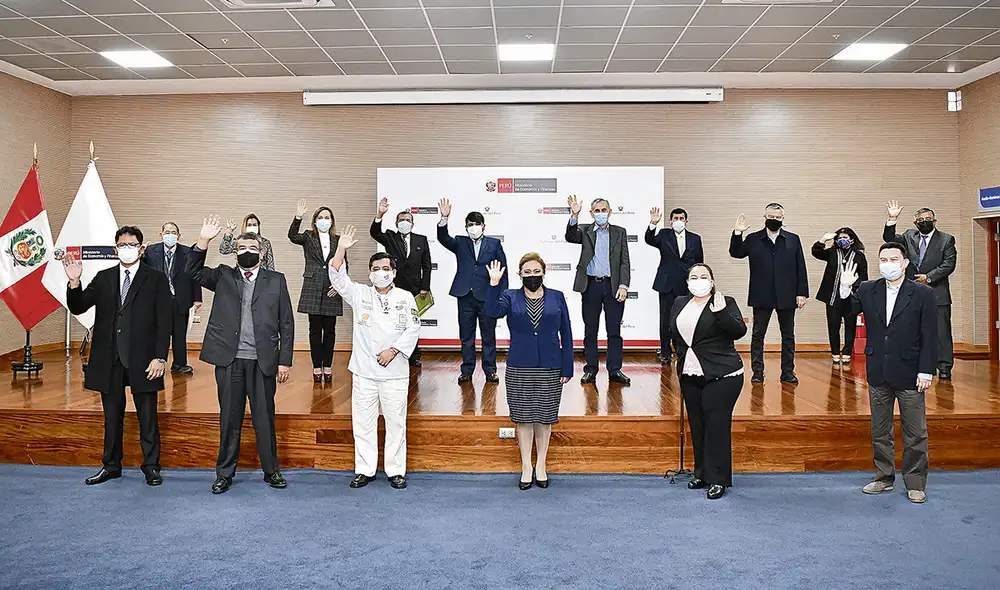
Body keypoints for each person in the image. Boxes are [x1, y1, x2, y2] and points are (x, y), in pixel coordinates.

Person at [188, 216, 295, 495]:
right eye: (241, 248)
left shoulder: (276, 280)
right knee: (229, 419)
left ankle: (271, 471)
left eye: (251, 248)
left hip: (262, 362)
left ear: (262, 253)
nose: (246, 252)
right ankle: (224, 473)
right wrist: (204, 240)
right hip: (229, 360)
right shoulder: (223, 275)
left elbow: (286, 322)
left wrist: (285, 360)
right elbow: (191, 272)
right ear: (235, 253)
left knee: (264, 418)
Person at [63, 226, 172, 487]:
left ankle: (151, 466)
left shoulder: (155, 279)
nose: (127, 249)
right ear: (115, 250)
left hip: (144, 359)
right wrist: (74, 282)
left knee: (148, 416)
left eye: (132, 244)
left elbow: (164, 321)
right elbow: (78, 306)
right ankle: (111, 465)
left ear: (141, 248)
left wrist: (160, 357)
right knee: (112, 416)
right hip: (109, 357)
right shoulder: (104, 278)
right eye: (122, 245)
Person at [840, 242, 937, 504]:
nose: (888, 263)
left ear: (905, 263)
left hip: (910, 372)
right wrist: (845, 289)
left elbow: (930, 336)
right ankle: (884, 477)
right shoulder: (868, 289)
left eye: (894, 259)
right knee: (880, 429)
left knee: (915, 431)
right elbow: (846, 312)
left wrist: (927, 369)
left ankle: (915, 482)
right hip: (878, 371)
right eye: (883, 259)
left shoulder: (922, 294)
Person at [328, 225, 420, 490]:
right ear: (370, 273)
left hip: (395, 371)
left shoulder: (405, 297)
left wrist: (393, 351)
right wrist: (342, 248)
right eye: (376, 269)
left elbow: (413, 327)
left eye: (386, 269)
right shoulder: (360, 293)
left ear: (393, 272)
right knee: (364, 422)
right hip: (365, 371)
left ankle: (395, 470)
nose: (381, 273)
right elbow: (337, 276)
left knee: (395, 422)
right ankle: (365, 469)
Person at [485, 253, 573, 490]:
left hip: (550, 364)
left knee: (544, 419)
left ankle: (541, 465)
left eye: (536, 272)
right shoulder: (509, 296)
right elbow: (492, 312)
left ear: (544, 272)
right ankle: (526, 466)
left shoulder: (557, 297)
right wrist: (494, 284)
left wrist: (567, 366)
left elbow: (566, 331)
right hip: (519, 365)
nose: (532, 276)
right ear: (520, 274)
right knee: (523, 419)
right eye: (527, 272)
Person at [669, 264, 747, 500]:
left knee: (716, 425)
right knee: (698, 424)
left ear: (712, 282)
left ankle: (719, 478)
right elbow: (674, 333)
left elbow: (738, 330)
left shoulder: (725, 301)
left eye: (704, 277)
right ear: (687, 282)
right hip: (691, 373)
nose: (699, 280)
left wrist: (721, 312)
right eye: (694, 277)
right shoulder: (679, 303)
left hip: (723, 374)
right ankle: (701, 472)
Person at [730, 203, 808, 384]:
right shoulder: (753, 238)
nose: (774, 220)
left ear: (783, 218)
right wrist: (737, 233)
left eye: (777, 218)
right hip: (761, 294)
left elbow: (800, 267)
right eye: (770, 217)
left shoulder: (793, 239)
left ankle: (788, 372)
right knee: (758, 334)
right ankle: (758, 371)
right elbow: (736, 253)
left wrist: (802, 292)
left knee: (788, 335)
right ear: (764, 217)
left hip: (787, 294)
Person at [882, 201, 957, 380]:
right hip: (911, 293)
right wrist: (892, 219)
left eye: (928, 219)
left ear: (935, 220)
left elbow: (949, 264)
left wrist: (928, 277)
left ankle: (944, 367)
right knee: (909, 329)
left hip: (937, 293)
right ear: (916, 223)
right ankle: (911, 364)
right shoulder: (909, 236)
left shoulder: (946, 239)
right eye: (921, 220)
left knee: (941, 332)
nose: (924, 222)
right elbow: (889, 240)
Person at [437, 198, 507, 383]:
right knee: (466, 335)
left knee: (488, 335)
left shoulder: (494, 244)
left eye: (477, 224)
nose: (473, 227)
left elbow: (502, 270)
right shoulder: (460, 242)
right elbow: (443, 238)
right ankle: (467, 370)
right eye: (470, 224)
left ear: (484, 226)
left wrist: (502, 295)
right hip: (465, 295)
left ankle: (490, 370)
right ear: (466, 227)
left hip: (487, 296)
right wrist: (444, 218)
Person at [566, 195, 632, 385]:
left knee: (614, 331)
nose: (601, 214)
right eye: (597, 210)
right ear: (591, 213)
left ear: (610, 212)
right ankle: (591, 369)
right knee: (590, 329)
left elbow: (624, 261)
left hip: (613, 286)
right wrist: (574, 215)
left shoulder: (620, 232)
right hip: (591, 285)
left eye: (604, 210)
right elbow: (571, 236)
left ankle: (614, 370)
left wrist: (623, 285)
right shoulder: (585, 230)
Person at [370, 197, 432, 367]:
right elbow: (375, 233)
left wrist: (425, 286)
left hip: (415, 288)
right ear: (396, 223)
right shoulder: (390, 237)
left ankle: (413, 355)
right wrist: (379, 215)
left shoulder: (422, 239)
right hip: (394, 286)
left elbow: (427, 265)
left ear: (413, 223)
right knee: (394, 320)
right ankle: (392, 351)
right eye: (401, 220)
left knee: (412, 321)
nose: (405, 222)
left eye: (408, 220)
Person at [289, 199, 344, 383]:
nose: (324, 220)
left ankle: (327, 366)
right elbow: (292, 236)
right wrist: (298, 216)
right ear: (314, 221)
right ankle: (316, 367)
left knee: (330, 331)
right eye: (320, 217)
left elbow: (344, 264)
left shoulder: (338, 240)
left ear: (332, 221)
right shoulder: (308, 236)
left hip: (331, 287)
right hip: (313, 286)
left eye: (327, 217)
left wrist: (338, 285)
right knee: (314, 330)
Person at [142, 222, 202, 374]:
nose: (170, 235)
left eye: (173, 232)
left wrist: (197, 298)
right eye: (167, 232)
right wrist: (140, 255)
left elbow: (195, 275)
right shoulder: (150, 251)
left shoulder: (187, 252)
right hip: (157, 300)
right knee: (156, 333)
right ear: (161, 234)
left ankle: (179, 364)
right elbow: (142, 272)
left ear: (179, 236)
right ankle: (155, 362)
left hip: (180, 299)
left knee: (179, 334)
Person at [646, 207, 704, 364]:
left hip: (686, 285)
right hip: (666, 284)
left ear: (686, 221)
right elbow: (649, 239)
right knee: (665, 319)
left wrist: (698, 282)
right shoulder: (664, 235)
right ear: (670, 221)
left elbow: (699, 262)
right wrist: (653, 223)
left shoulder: (695, 238)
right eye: (675, 218)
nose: (678, 221)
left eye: (681, 218)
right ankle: (665, 352)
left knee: (686, 319)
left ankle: (684, 350)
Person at [811, 227, 868, 364]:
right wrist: (823, 240)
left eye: (846, 237)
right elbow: (816, 252)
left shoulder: (859, 255)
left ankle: (847, 352)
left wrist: (853, 285)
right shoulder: (832, 253)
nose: (843, 240)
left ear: (852, 239)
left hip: (850, 296)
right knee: (833, 325)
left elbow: (863, 276)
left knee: (850, 325)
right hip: (832, 296)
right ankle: (835, 352)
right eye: (840, 238)